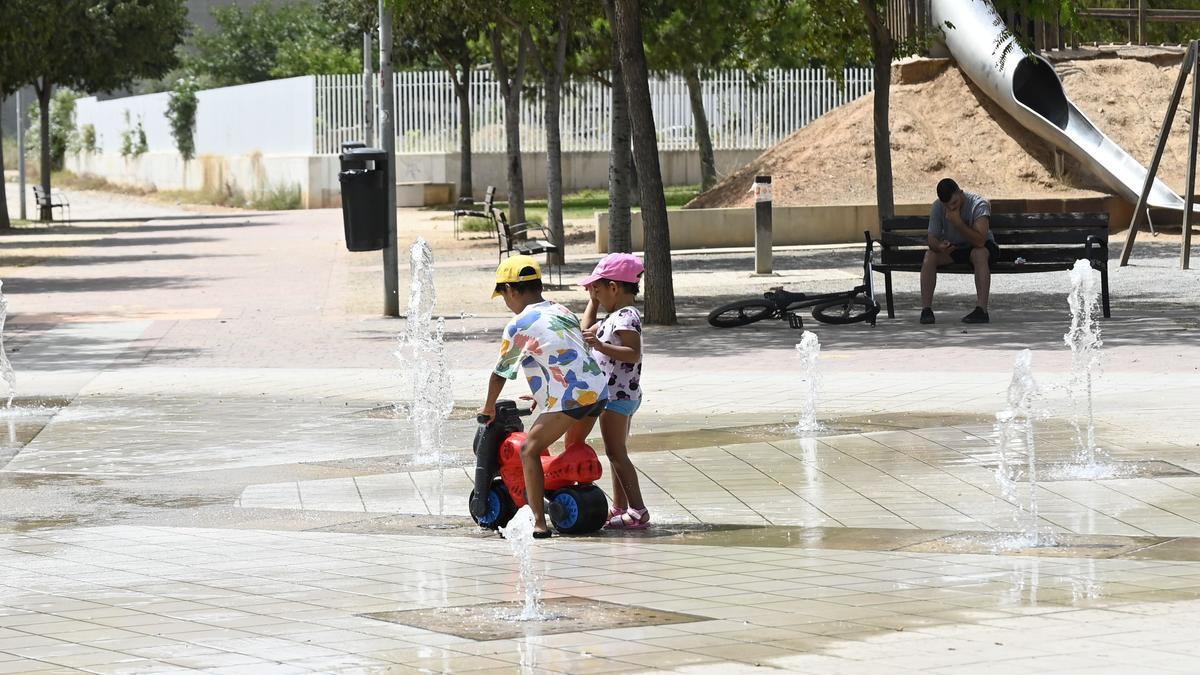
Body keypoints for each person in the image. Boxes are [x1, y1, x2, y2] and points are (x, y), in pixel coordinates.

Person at [479, 255, 610, 539]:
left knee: (529, 450)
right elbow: (563, 357)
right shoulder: (561, 310)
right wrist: (546, 398)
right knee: (572, 443)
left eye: (503, 295)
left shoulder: (518, 324)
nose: (506, 302)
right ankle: (568, 492)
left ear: (511, 291)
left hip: (573, 397)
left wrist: (488, 407)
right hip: (598, 390)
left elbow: (500, 373)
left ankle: (539, 522)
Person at [570, 253, 650, 530]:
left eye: (599, 290)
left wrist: (602, 347)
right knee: (617, 452)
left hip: (619, 396)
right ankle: (620, 507)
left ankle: (638, 510)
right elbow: (584, 332)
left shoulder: (625, 317)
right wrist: (592, 302)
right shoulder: (614, 315)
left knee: (616, 453)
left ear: (614, 287)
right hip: (619, 395)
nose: (597, 295)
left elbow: (633, 352)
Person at [920, 178, 1000, 325]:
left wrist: (957, 222)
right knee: (929, 255)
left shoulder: (978, 204)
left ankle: (982, 310)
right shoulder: (938, 207)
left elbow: (980, 240)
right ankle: (926, 310)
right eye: (947, 205)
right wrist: (938, 246)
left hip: (981, 247)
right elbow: (931, 239)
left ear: (960, 192)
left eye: (955, 203)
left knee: (979, 253)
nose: (951, 208)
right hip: (956, 248)